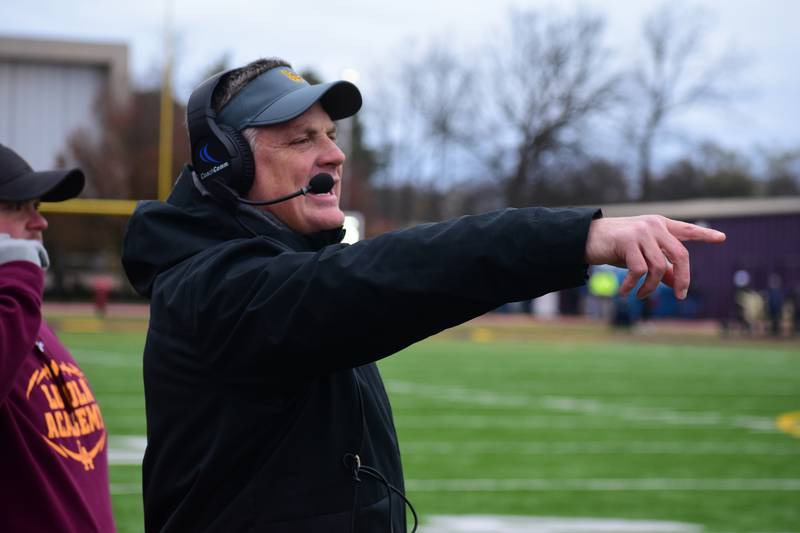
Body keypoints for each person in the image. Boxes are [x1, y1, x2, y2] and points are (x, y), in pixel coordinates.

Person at [121, 58, 726, 533]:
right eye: (301, 139)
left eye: (330, 135)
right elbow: (385, 276)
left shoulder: (287, 267)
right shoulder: (214, 292)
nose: (334, 153)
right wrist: (578, 237)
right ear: (224, 164)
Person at [0, 144, 115, 532]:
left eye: (38, 206)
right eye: (17, 207)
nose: (39, 222)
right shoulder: (15, 306)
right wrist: (16, 276)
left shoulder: (24, 317)